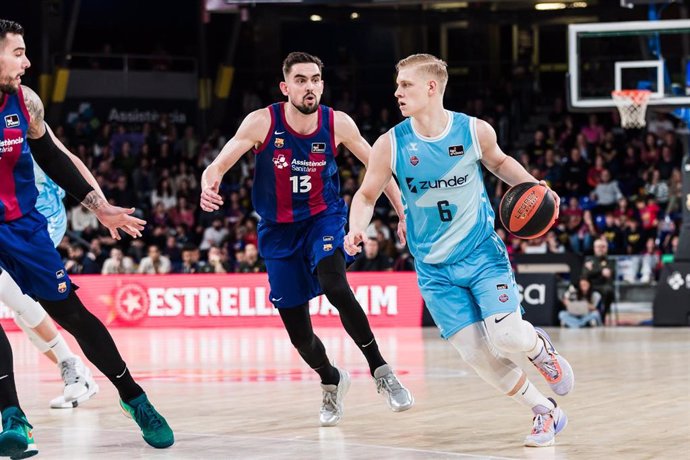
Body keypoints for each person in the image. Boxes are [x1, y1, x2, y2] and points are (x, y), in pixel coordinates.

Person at [344, 54, 574, 447]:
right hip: (433, 270)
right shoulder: (391, 143)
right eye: (398, 84)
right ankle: (545, 412)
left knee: (508, 338)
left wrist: (539, 187)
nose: (397, 92)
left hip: (481, 254)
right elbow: (366, 194)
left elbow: (500, 163)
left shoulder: (472, 131)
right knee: (477, 355)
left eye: (406, 85)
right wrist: (356, 229)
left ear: (431, 87)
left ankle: (539, 348)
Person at [200, 51, 413, 427]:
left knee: (335, 284)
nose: (310, 86)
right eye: (301, 80)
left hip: (323, 219)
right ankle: (331, 380)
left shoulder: (338, 123)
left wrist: (402, 210)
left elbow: (377, 168)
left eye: (315, 79)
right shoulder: (262, 121)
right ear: (286, 87)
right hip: (278, 231)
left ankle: (381, 370)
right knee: (300, 335)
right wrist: (210, 177)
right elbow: (220, 161)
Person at [0, 20, 173, 458]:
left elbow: (54, 156)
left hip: (24, 226)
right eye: (18, 52)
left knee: (72, 314)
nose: (27, 61)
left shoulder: (26, 101)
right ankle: (13, 418)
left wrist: (98, 206)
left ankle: (134, 397)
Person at [0, 157, 99, 410]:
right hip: (9, 218)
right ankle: (71, 368)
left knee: (10, 289)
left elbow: (68, 158)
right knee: (23, 313)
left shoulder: (25, 118)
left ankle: (71, 365)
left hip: (42, 214)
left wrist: (101, 205)